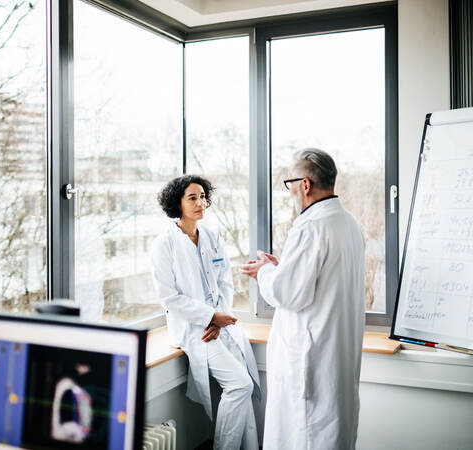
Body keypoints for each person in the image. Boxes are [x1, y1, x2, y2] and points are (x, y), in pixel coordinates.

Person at [241, 148, 366, 450]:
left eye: (290, 184)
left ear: (305, 185)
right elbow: (320, 281)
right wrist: (282, 268)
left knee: (305, 436)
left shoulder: (310, 226)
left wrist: (265, 273)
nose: (291, 192)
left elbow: (288, 293)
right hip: (336, 357)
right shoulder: (347, 223)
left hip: (310, 364)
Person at [150, 175, 261, 450]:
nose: (201, 202)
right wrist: (210, 317)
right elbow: (169, 297)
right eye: (193, 198)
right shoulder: (163, 244)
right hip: (192, 330)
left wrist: (219, 318)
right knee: (240, 385)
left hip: (219, 323)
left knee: (242, 388)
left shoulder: (212, 236)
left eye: (203, 197)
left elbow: (225, 282)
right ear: (177, 202)